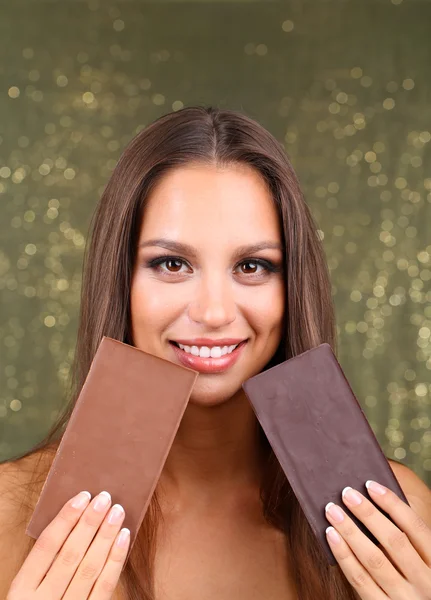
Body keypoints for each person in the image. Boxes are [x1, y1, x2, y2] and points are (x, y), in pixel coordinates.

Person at [1, 106, 430, 600]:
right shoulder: (9, 514)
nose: (212, 311)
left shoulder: (395, 516)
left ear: (293, 287)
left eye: (252, 265)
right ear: (120, 281)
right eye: (171, 263)